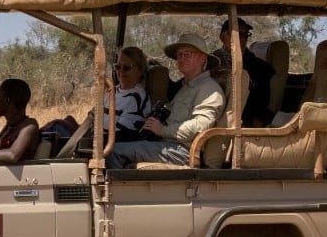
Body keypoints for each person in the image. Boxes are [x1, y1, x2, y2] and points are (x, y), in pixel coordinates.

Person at [106, 34, 225, 168]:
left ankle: (118, 189)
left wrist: (162, 130)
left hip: (183, 151)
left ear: (203, 58)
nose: (181, 59)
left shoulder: (210, 90)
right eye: (179, 55)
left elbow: (201, 126)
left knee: (113, 152)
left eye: (187, 54)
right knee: (112, 145)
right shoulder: (186, 87)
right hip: (167, 144)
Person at [218, 17, 278, 128]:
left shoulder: (259, 67)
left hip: (243, 123)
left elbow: (261, 104)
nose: (242, 39)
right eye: (237, 34)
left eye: (245, 35)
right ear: (222, 37)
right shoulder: (213, 60)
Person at [104, 46, 153, 142]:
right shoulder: (114, 90)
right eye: (118, 67)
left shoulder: (137, 98)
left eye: (127, 67)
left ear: (140, 70)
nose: (121, 71)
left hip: (110, 146)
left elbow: (119, 136)